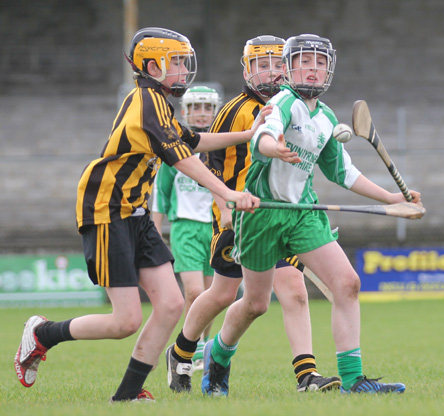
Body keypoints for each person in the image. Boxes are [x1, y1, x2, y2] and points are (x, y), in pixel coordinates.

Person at [13, 27, 262, 403]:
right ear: (152, 66)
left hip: (135, 210)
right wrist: (227, 193)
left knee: (172, 304)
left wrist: (247, 136)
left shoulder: (160, 104)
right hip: (106, 208)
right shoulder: (144, 102)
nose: (182, 70)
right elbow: (182, 158)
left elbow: (193, 140)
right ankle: (42, 334)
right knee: (124, 321)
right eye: (175, 63)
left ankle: (128, 394)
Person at [201, 33, 422, 396]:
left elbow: (344, 173)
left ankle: (354, 380)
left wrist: (393, 198)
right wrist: (276, 149)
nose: (313, 69)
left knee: (347, 284)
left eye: (320, 62)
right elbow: (262, 138)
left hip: (303, 213)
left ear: (329, 69)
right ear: (288, 67)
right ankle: (218, 357)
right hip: (261, 216)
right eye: (305, 61)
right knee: (256, 304)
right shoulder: (282, 103)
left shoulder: (326, 118)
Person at [165, 35, 341, 396]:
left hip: (279, 217)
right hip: (237, 217)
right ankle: (182, 352)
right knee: (229, 296)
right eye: (262, 65)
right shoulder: (235, 111)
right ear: (247, 69)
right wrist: (225, 206)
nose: (272, 73)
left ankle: (306, 375)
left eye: (278, 65)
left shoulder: (292, 105)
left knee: (294, 289)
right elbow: (209, 166)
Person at [152, 86, 222, 371]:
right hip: (185, 229)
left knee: (212, 295)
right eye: (196, 107)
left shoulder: (222, 148)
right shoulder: (174, 149)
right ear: (184, 112)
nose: (201, 113)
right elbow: (159, 195)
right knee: (194, 293)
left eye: (207, 107)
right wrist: (155, 235)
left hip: (216, 228)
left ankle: (201, 348)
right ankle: (188, 349)